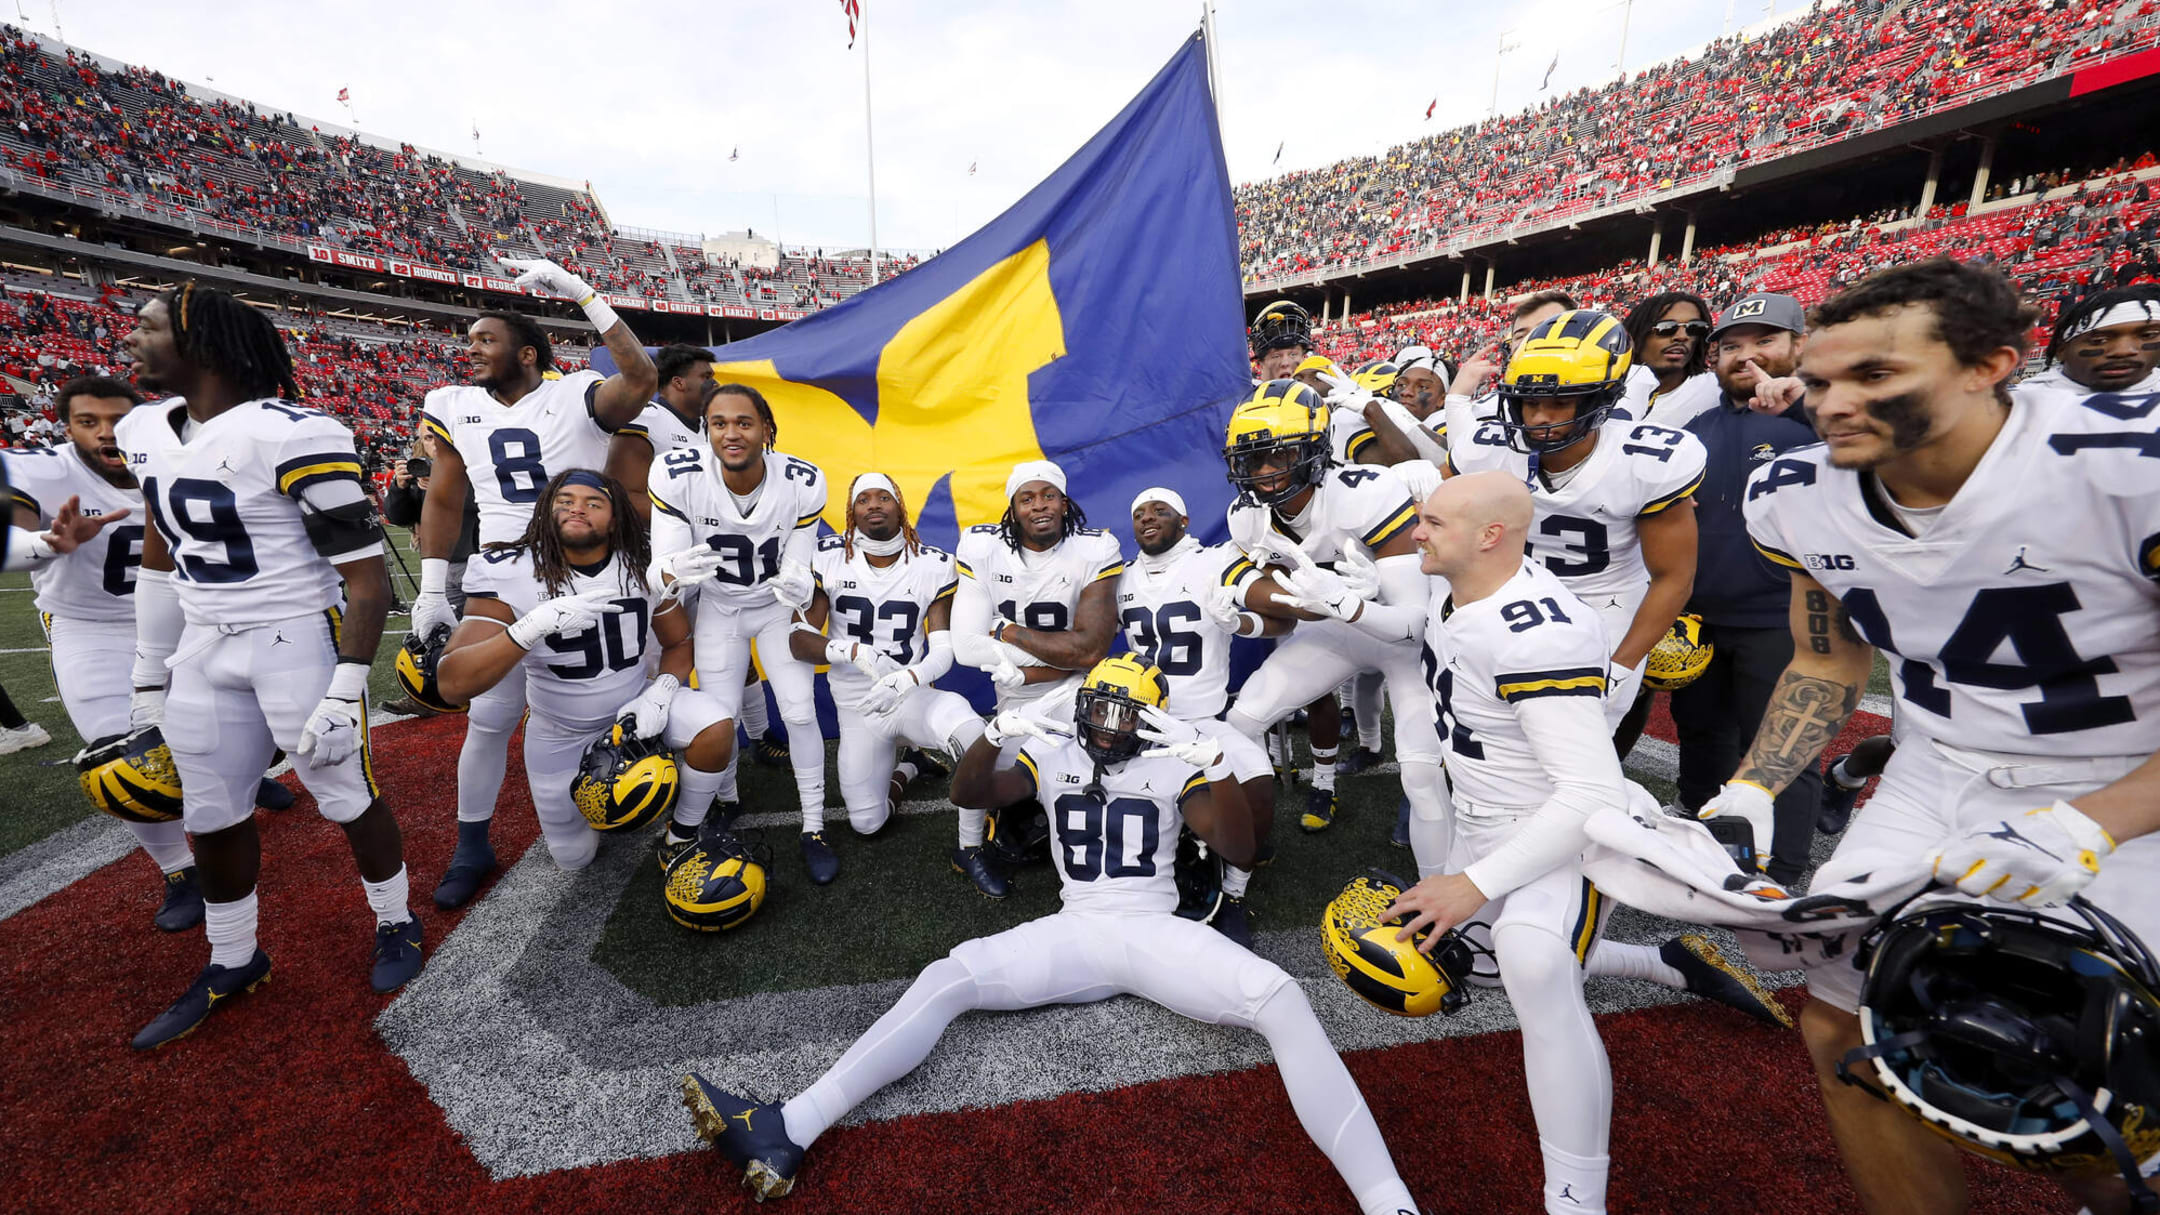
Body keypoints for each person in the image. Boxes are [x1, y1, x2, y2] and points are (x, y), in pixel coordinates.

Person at [1697, 258, 2160, 1215]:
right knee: (1842, 1024)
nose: (1830, 404)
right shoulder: (1796, 491)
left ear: (1991, 365)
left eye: (1875, 377)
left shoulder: (2130, 467)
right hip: (1936, 767)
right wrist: (1750, 787)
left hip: (2127, 773)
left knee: (2108, 1068)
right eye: (1821, 380)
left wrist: (2093, 821)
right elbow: (1828, 660)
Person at [680, 655, 1425, 1215]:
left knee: (1282, 995)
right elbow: (975, 791)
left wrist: (1213, 766)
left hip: (1150, 930)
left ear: (1153, 720)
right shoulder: (1056, 750)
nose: (1105, 726)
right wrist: (994, 736)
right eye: (1096, 710)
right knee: (948, 976)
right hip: (1075, 929)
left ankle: (1387, 1199)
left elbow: (1240, 849)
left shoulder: (1175, 759)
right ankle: (790, 1126)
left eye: (1121, 715)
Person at [114, 282, 420, 1050]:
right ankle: (234, 955)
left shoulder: (294, 431)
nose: (133, 341)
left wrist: (346, 688)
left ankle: (396, 920)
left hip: (290, 637)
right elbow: (160, 563)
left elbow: (367, 579)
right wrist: (150, 676)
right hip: (203, 639)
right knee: (209, 811)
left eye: (149, 328)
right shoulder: (146, 429)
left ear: (201, 342)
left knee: (345, 790)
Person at [1388, 470, 1625, 1215]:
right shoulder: (1452, 586)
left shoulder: (1537, 630)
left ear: (1491, 535)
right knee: (1464, 968)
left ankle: (1575, 1198)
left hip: (1563, 834)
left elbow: (1591, 794)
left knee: (1534, 963)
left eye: (1432, 522)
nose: (1416, 532)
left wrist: (1472, 884)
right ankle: (1667, 962)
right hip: (1484, 819)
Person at [412, 256, 659, 910]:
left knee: (620, 685)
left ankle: (635, 784)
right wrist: (433, 585)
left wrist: (582, 291)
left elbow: (639, 375)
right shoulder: (454, 405)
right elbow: (443, 496)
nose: (470, 350)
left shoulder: (572, 392)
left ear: (526, 352)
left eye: (485, 339)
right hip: (502, 568)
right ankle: (472, 843)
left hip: (590, 562)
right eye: (468, 341)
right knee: (488, 716)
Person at [434, 470, 732, 881]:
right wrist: (528, 628)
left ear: (616, 518)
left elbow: (679, 642)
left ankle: (680, 834)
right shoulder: (509, 569)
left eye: (594, 503)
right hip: (560, 732)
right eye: (565, 500)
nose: (577, 508)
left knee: (715, 724)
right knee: (575, 858)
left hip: (631, 709)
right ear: (545, 510)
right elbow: (452, 684)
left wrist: (660, 692)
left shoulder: (639, 563)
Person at [1444, 309, 1704, 753]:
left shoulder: (1643, 462)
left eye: (1560, 402)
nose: (1539, 416)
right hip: (1511, 597)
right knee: (1480, 737)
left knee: (1572, 752)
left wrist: (1623, 663)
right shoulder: (1488, 447)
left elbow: (1673, 577)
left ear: (1599, 400)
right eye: (1529, 400)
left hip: (1606, 606)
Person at [1217, 380, 1446, 877]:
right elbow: (1287, 607)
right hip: (1334, 631)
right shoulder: (1247, 518)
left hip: (1399, 637)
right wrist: (1247, 618)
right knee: (1241, 723)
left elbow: (1413, 625)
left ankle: (1441, 893)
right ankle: (1243, 845)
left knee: (1423, 771)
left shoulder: (1365, 492)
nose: (1267, 473)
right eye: (1254, 460)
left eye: (1281, 455)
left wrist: (1348, 603)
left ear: (1317, 449)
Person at [782, 473, 1003, 898]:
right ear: (851, 512)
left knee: (972, 732)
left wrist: (908, 677)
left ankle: (971, 848)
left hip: (910, 695)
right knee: (868, 823)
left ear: (901, 505)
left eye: (884, 496)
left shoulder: (931, 563)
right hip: (857, 706)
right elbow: (798, 640)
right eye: (863, 499)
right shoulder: (830, 557)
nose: (874, 504)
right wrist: (853, 653)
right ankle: (911, 767)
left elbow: (943, 649)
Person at [646, 383, 834, 881]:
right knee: (720, 717)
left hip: (773, 609)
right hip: (720, 608)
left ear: (766, 429)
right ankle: (726, 799)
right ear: (705, 429)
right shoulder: (677, 475)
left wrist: (799, 582)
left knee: (798, 708)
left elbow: (799, 566)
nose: (731, 432)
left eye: (744, 422)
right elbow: (659, 573)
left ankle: (814, 824)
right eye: (719, 423)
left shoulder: (802, 480)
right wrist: (671, 572)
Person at [1666, 293, 1823, 884]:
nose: (1746, 355)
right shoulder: (1695, 429)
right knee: (1702, 731)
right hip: (1703, 615)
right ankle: (1703, 842)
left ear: (1798, 345)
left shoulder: (1824, 418)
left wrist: (1808, 407)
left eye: (1764, 341)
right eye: (1731, 345)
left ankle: (1781, 868)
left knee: (1782, 743)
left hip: (1787, 616)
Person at [603, 343, 782, 817]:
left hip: (711, 568)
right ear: (677, 382)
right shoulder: (648, 420)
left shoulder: (706, 430)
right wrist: (687, 516)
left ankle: (760, 736)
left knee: (735, 656)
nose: (713, 382)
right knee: (670, 658)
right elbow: (619, 492)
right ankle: (661, 751)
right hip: (662, 572)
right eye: (705, 375)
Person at [1117, 486, 1285, 940]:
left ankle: (1234, 894)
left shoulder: (1213, 562)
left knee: (1259, 787)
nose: (1148, 518)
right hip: (1143, 722)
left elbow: (1282, 618)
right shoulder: (1121, 578)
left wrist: (1239, 621)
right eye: (1139, 513)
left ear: (1184, 521)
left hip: (1205, 722)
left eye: (1160, 510)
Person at [2020, 284, 2160, 395]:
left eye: (2148, 336)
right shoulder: (2020, 403)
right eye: (2099, 341)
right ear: (2061, 350)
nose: (2124, 351)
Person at [1617, 291, 1719, 429]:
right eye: (1666, 328)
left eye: (1695, 327)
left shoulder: (1718, 389)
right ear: (1637, 333)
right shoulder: (1602, 394)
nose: (1682, 336)